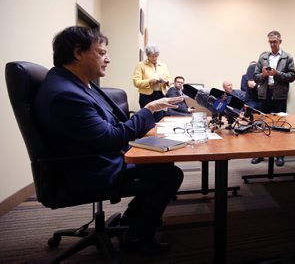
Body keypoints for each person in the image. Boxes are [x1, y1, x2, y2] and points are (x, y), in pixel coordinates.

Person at [34, 26, 184, 254]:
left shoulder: (76, 84)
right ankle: (136, 239)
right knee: (169, 174)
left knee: (161, 162)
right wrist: (149, 109)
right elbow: (111, 138)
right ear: (78, 53)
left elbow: (110, 127)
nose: (108, 59)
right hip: (88, 167)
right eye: (102, 53)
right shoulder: (66, 94)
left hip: (93, 156)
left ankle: (133, 221)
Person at [252, 30, 295, 166]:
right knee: (262, 124)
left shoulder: (287, 57)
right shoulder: (263, 57)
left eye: (275, 42)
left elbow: (292, 76)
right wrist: (264, 75)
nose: (272, 44)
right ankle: (261, 153)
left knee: (280, 124)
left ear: (280, 42)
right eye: (270, 42)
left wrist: (277, 74)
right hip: (265, 94)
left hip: (279, 95)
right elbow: (255, 77)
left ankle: (279, 155)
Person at [132, 44, 172, 122]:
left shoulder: (163, 66)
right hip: (146, 96)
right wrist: (149, 81)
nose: (154, 58)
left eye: (156, 56)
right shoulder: (141, 65)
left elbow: (170, 78)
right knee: (147, 119)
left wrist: (167, 82)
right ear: (147, 55)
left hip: (160, 95)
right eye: (152, 56)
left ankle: (157, 134)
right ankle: (148, 134)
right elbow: (136, 82)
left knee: (159, 119)